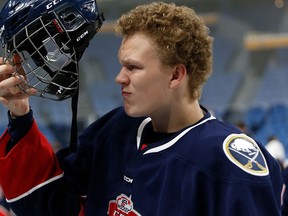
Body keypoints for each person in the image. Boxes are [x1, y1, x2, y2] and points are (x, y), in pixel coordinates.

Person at [0, 1, 283, 215]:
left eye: (133, 67)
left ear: (176, 75)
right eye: (122, 65)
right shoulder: (115, 130)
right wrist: (20, 112)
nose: (119, 77)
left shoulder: (230, 164)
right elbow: (49, 203)